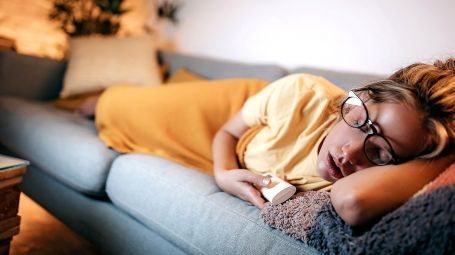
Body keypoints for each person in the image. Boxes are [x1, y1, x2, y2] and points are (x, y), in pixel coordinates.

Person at [87, 58, 455, 227]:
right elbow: (227, 132)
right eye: (361, 123)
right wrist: (223, 174)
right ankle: (97, 98)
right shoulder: (301, 93)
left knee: (137, 131)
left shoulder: (364, 182)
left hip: (232, 151)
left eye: (379, 152)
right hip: (230, 116)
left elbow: (355, 203)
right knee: (115, 106)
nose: (349, 152)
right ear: (357, 98)